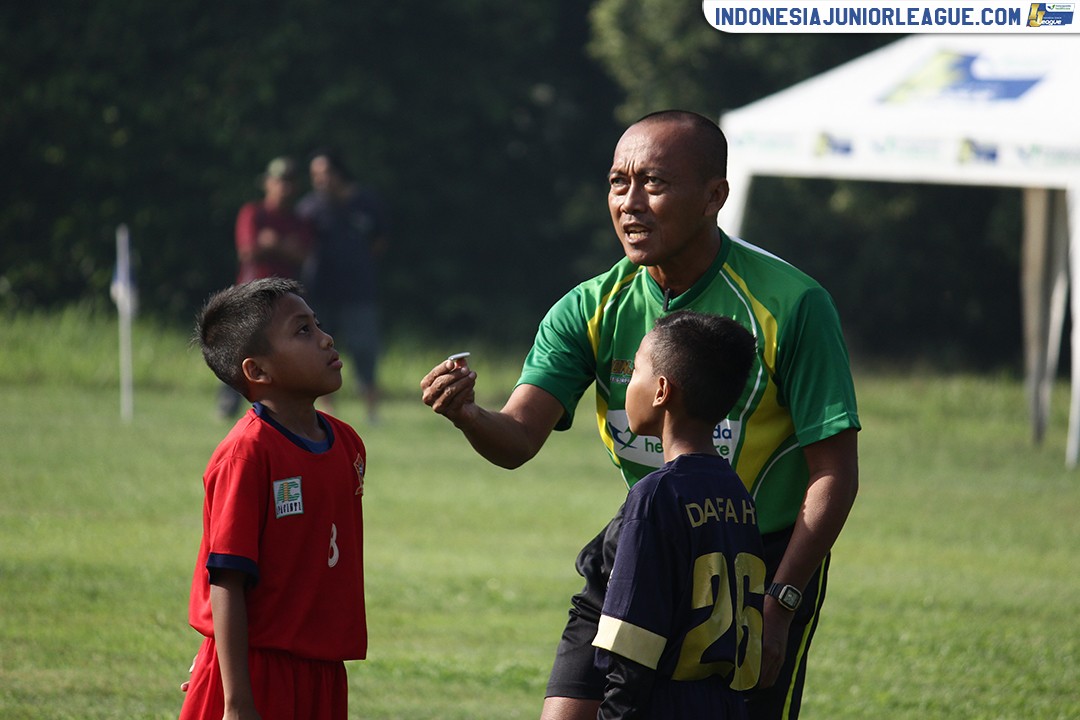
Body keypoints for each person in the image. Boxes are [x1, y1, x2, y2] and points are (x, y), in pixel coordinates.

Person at [420, 110, 860, 720]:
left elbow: (834, 472)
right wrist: (469, 413)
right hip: (642, 542)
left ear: (715, 197)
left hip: (752, 564)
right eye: (616, 182)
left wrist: (780, 602)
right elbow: (519, 437)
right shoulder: (590, 307)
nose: (630, 203)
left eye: (653, 183)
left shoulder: (793, 304)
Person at [181, 277, 367, 720]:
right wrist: (236, 699)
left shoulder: (348, 445)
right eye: (302, 330)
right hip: (255, 674)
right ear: (257, 372)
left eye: (317, 323)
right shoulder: (247, 454)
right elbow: (227, 579)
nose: (326, 338)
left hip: (322, 672)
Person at [593, 310, 764, 719]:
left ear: (661, 391)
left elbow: (632, 653)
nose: (627, 385)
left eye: (635, 371)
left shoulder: (655, 496)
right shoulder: (738, 494)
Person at [297, 149, 390, 423]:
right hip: (320, 292)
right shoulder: (309, 207)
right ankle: (327, 411)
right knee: (319, 350)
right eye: (314, 175)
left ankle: (372, 411)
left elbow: (381, 240)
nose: (318, 180)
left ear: (338, 173)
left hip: (360, 291)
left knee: (365, 349)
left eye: (323, 173)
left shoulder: (367, 202)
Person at [218, 156, 315, 419]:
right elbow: (248, 250)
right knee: (240, 349)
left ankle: (276, 405)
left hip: (284, 299)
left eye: (289, 182)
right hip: (251, 295)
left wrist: (273, 244)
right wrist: (285, 247)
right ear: (268, 183)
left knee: (280, 351)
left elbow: (303, 255)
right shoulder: (254, 212)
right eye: (279, 181)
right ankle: (227, 405)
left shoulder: (298, 220)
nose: (284, 187)